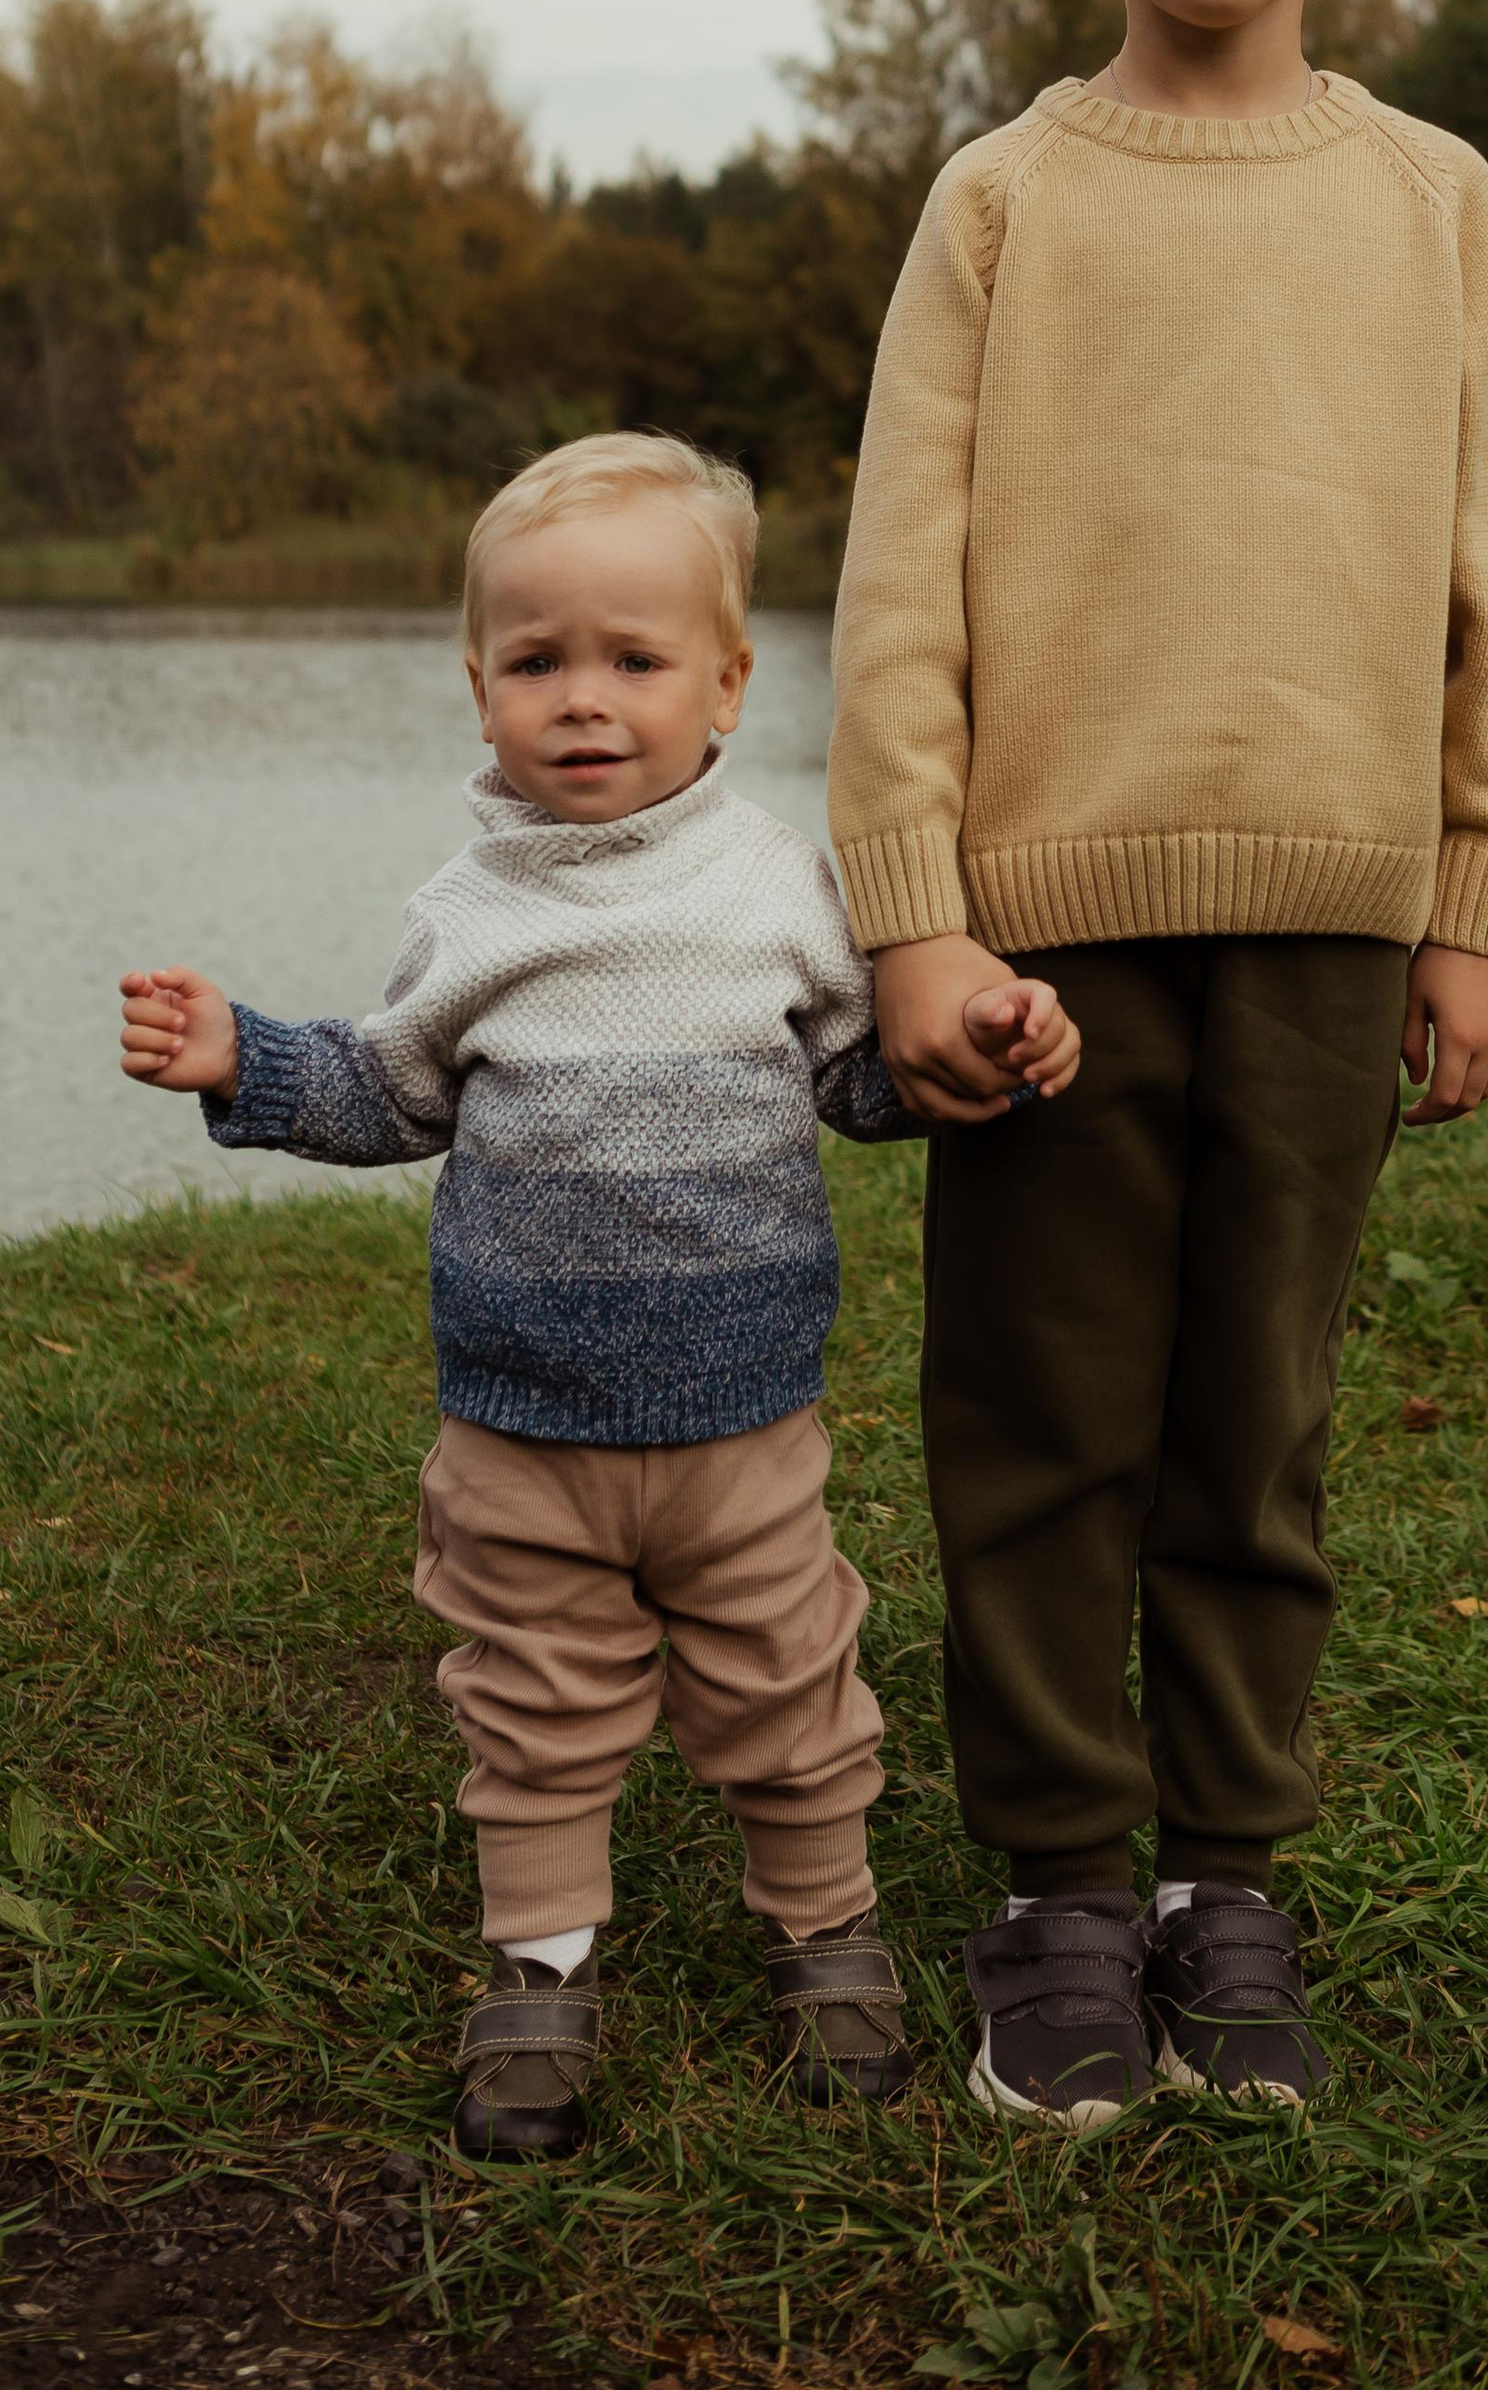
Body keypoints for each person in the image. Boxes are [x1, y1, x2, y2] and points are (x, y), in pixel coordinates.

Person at [827, 0, 1488, 2134]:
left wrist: (1473, 907)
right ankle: (1050, 1884)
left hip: (1336, 909)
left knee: (1250, 1425)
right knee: (1038, 1418)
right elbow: (896, 588)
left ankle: (1222, 1878)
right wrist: (913, 908)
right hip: (1041, 926)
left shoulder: (1433, 201)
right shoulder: (1001, 200)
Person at [117, 429, 1079, 2159]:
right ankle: (542, 1968)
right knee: (537, 1704)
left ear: (725, 685)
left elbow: (863, 1085)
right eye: (537, 661)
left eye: (634, 661)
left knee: (789, 1684)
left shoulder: (785, 887)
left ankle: (825, 1931)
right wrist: (241, 1056)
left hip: (745, 1422)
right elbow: (392, 1093)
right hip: (521, 1429)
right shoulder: (469, 912)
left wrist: (988, 1051)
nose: (584, 700)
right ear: (478, 685)